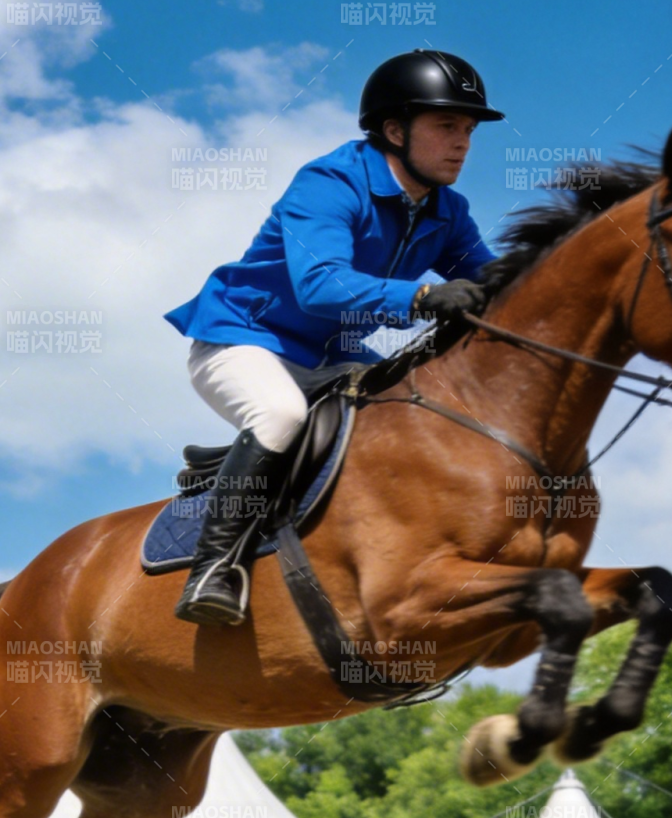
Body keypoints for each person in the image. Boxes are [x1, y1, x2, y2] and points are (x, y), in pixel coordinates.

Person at [164, 49, 505, 625]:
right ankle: (215, 568)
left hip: (336, 358)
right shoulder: (330, 182)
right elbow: (320, 286)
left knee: (416, 421)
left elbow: (494, 283)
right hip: (245, 338)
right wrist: (421, 298)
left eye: (469, 129)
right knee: (279, 416)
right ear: (394, 130)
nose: (463, 142)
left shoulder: (448, 210)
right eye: (447, 125)